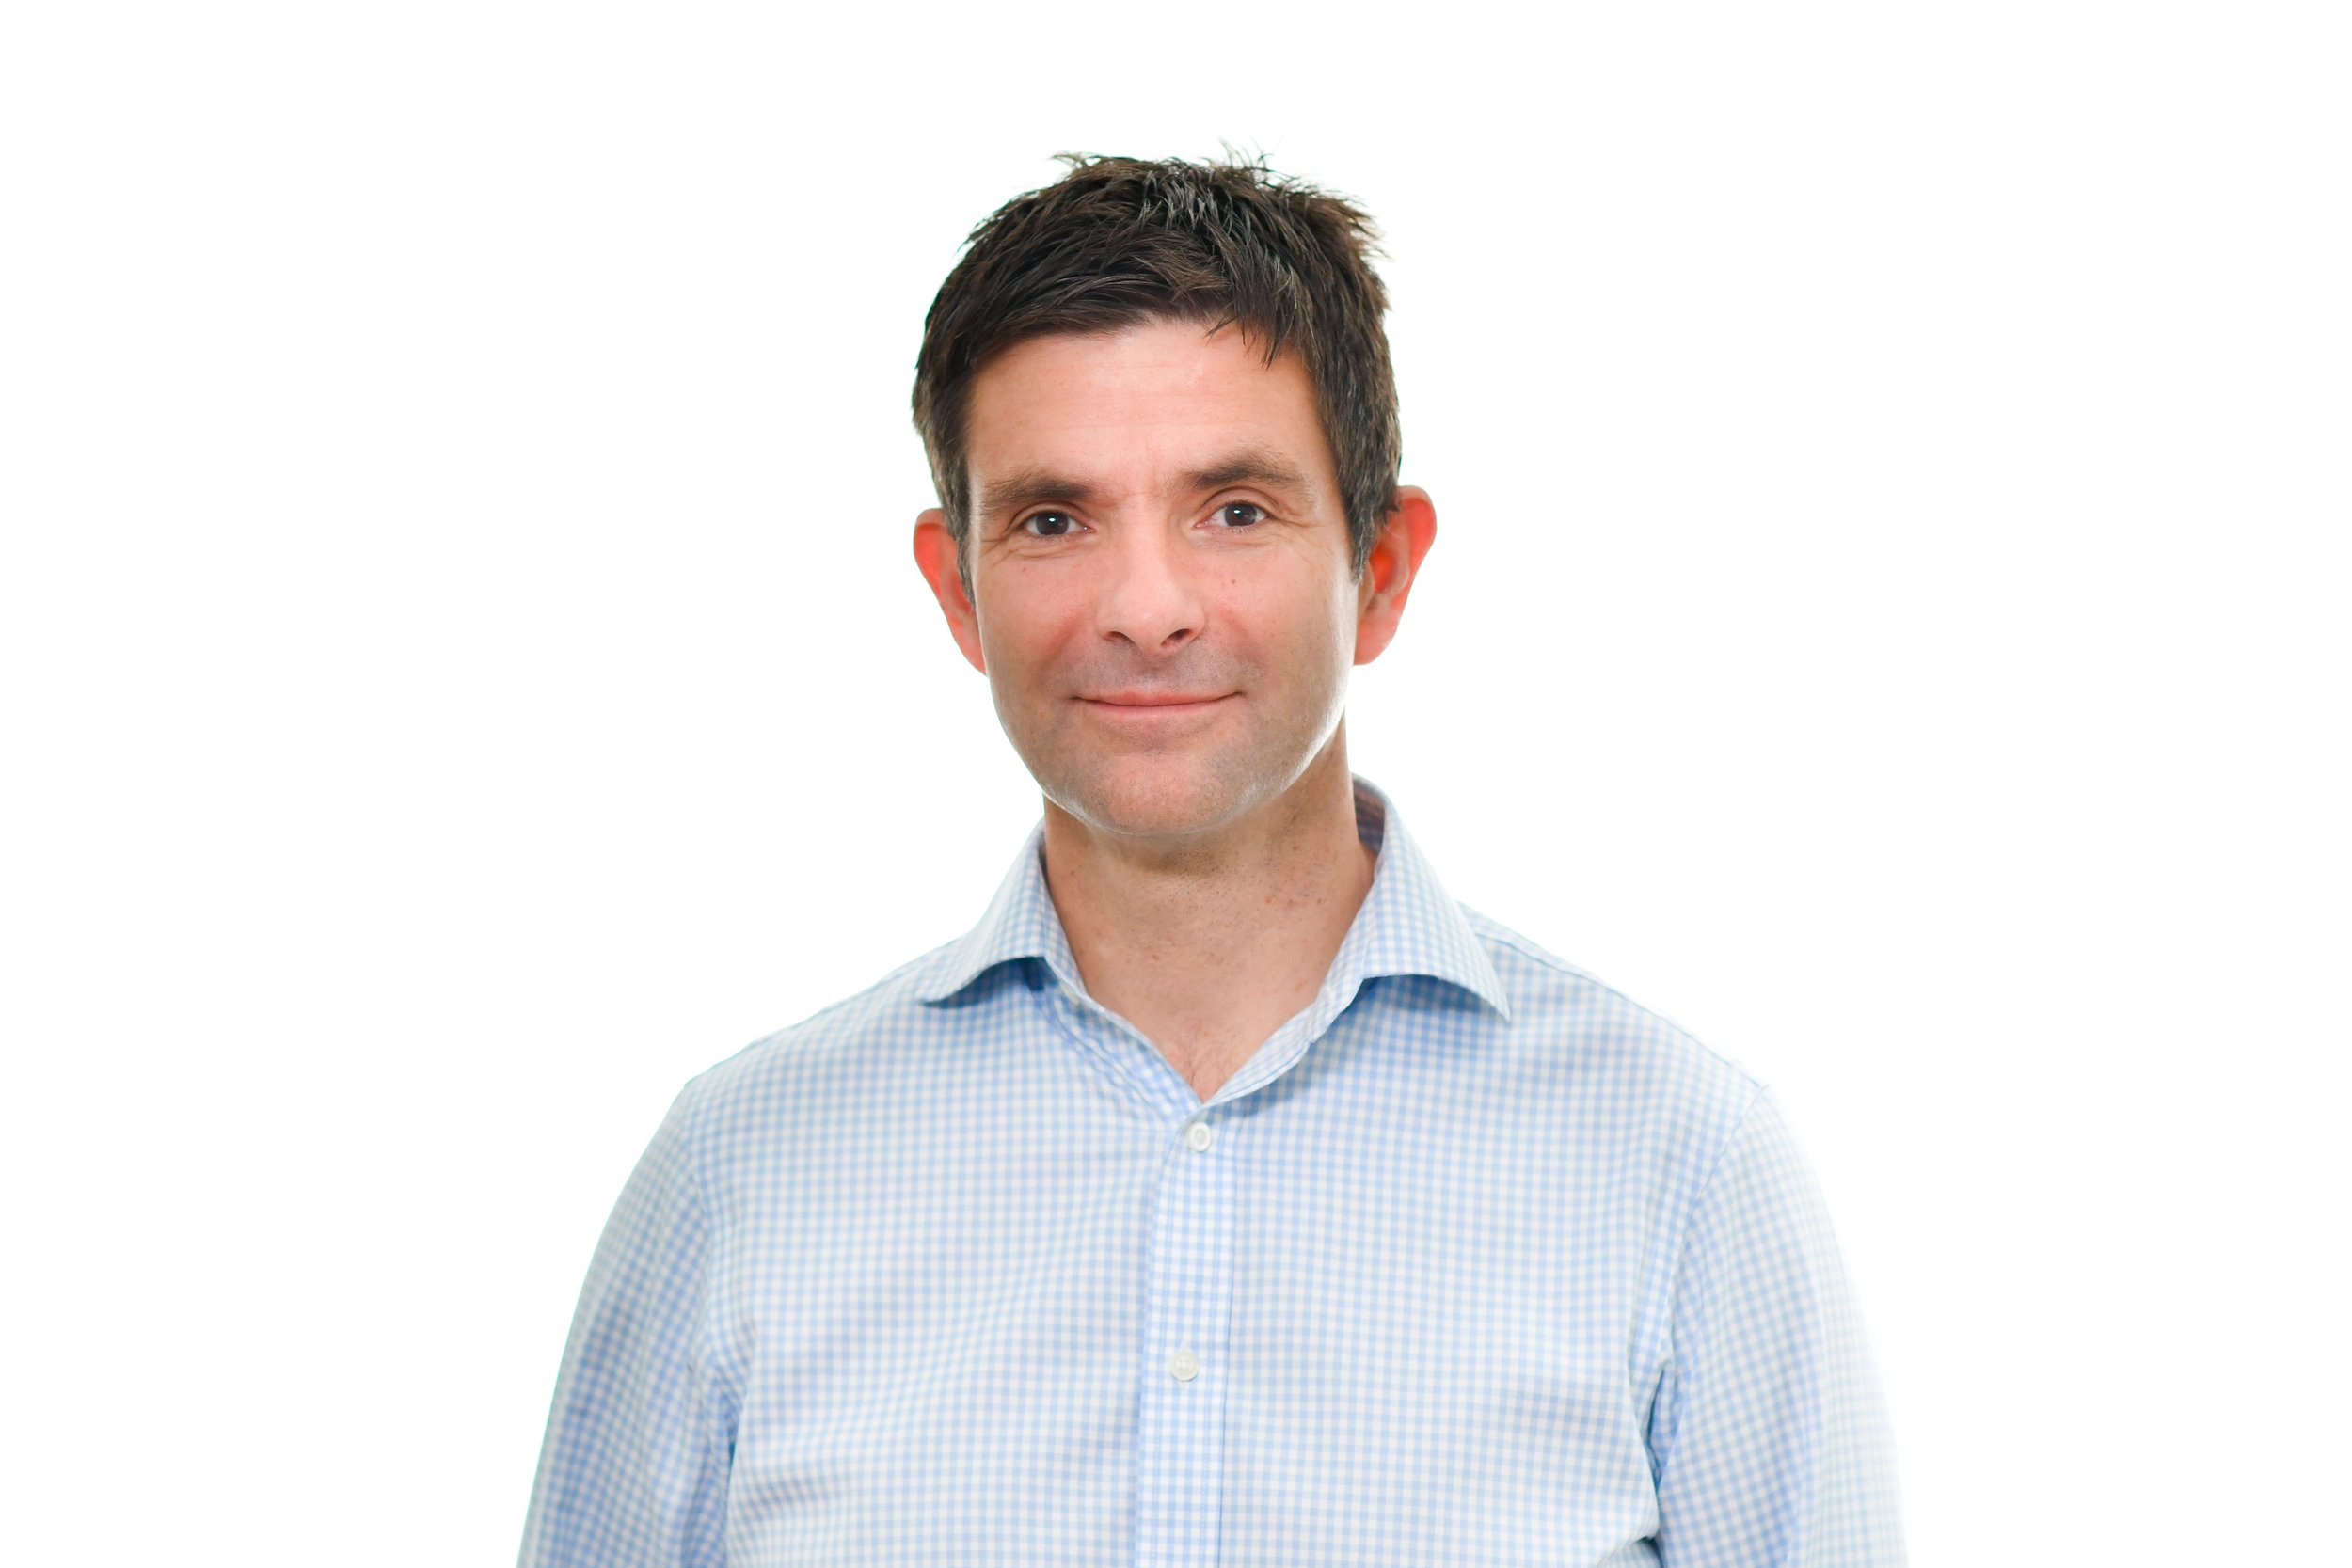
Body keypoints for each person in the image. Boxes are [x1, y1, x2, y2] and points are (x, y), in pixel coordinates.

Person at [517, 153, 1905, 1567]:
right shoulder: (740, 1177)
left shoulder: (1680, 1167)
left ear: (1381, 568)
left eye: (1233, 510)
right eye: (1055, 519)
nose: (1145, 606)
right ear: (960, 590)